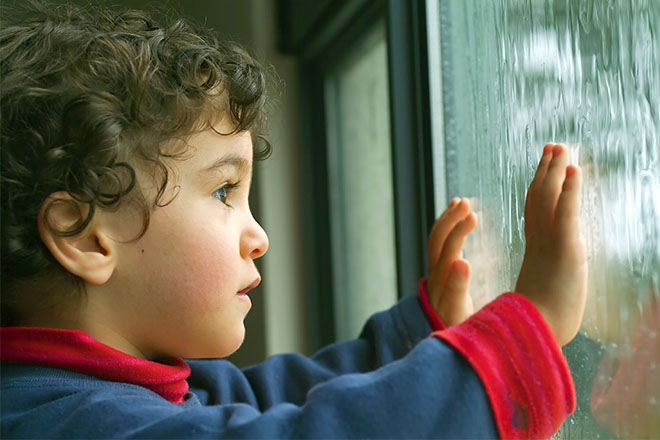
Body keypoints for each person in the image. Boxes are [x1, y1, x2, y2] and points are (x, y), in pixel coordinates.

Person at [0, 2, 587, 438]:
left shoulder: (134, 386)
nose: (260, 238)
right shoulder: (71, 424)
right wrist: (525, 334)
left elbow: (269, 398)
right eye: (225, 191)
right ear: (86, 235)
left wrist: (419, 330)